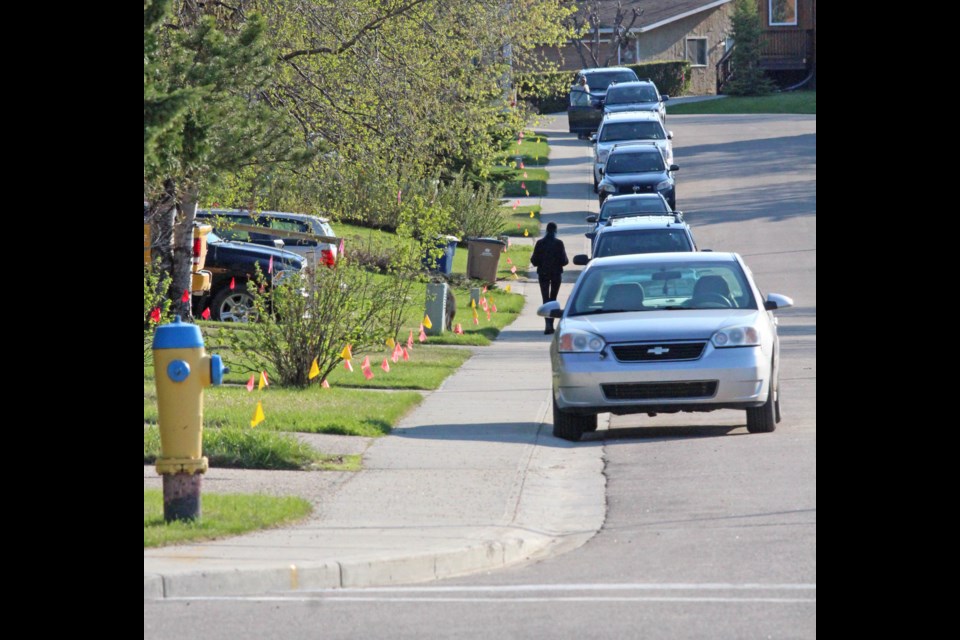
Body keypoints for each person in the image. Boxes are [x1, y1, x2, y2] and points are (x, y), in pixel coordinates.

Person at [530, 221, 568, 334]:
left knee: (545, 299)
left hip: (543, 274)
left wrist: (542, 263)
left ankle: (547, 324)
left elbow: (534, 260)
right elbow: (565, 261)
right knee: (553, 299)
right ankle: (551, 324)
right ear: (555, 231)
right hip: (556, 274)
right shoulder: (559, 243)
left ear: (546, 231)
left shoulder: (540, 243)